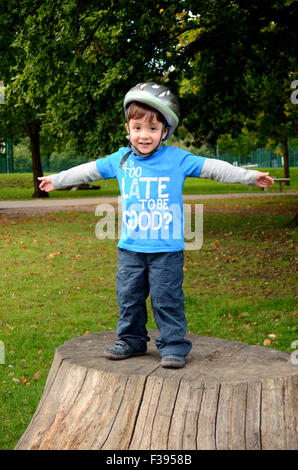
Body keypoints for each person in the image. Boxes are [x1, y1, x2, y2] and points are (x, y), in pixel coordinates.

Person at [39, 82, 274, 368]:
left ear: (165, 131)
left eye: (152, 128)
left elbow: (215, 168)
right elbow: (87, 169)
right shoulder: (121, 160)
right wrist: (57, 180)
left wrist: (249, 177)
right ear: (128, 129)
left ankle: (173, 345)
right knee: (129, 298)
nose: (144, 135)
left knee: (167, 298)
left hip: (167, 250)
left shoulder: (177, 158)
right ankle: (131, 340)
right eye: (137, 127)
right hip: (131, 249)